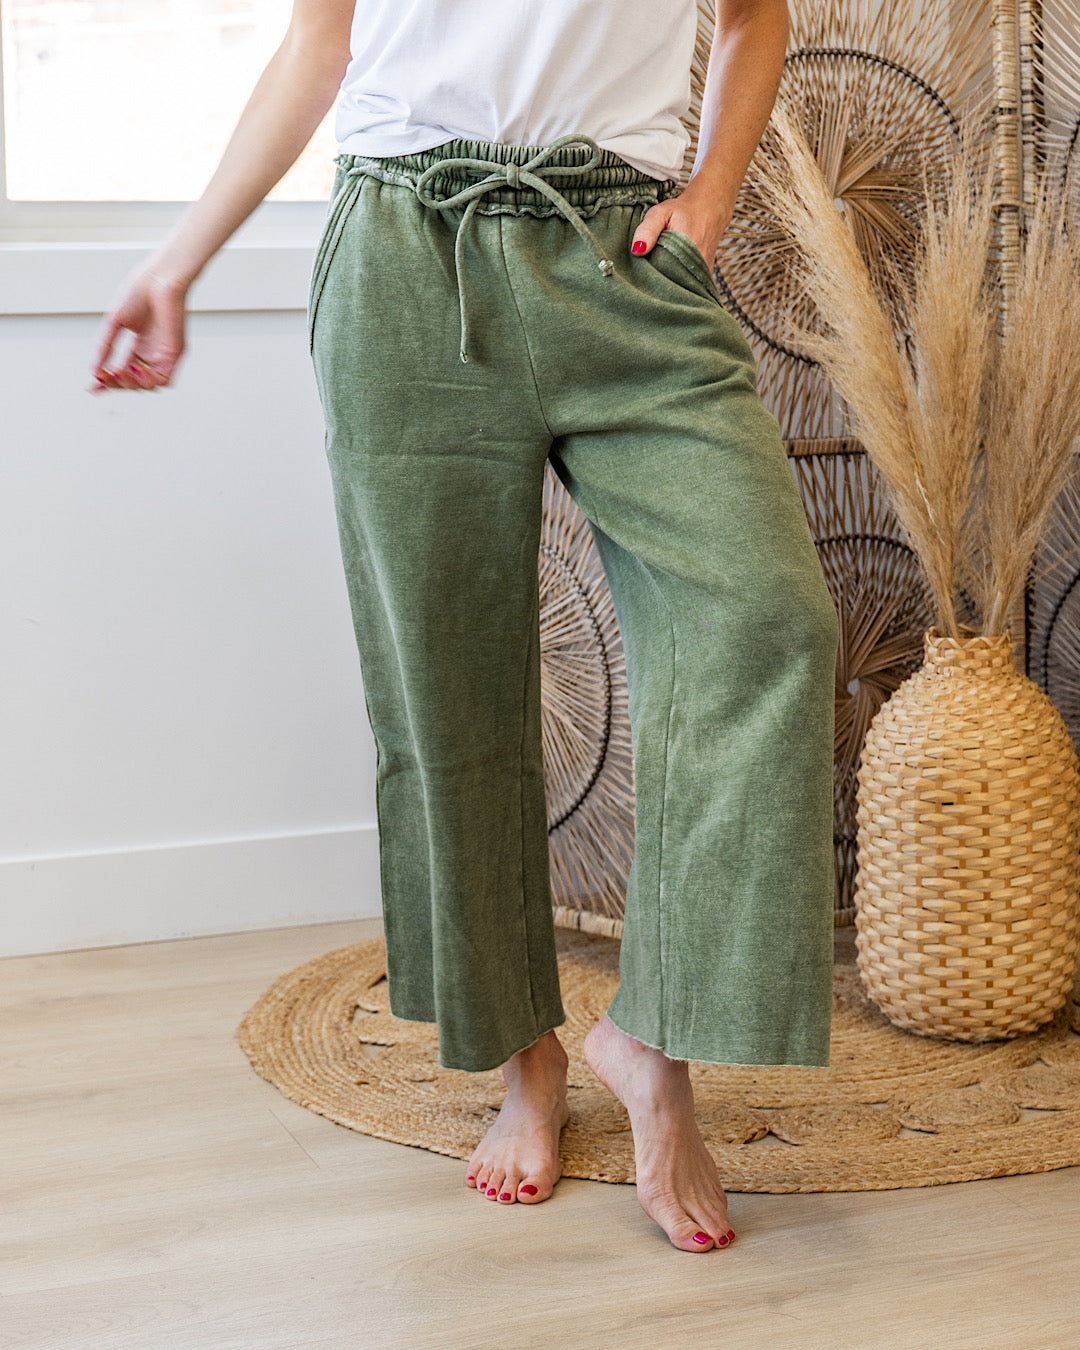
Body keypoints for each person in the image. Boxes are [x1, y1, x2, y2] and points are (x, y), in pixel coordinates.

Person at [87, 0, 838, 1255]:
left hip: (625, 259)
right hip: (407, 253)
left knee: (768, 623)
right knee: (447, 693)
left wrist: (709, 200)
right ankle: (522, 1058)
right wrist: (177, 261)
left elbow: (754, 17)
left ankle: (650, 1044)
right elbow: (317, 48)